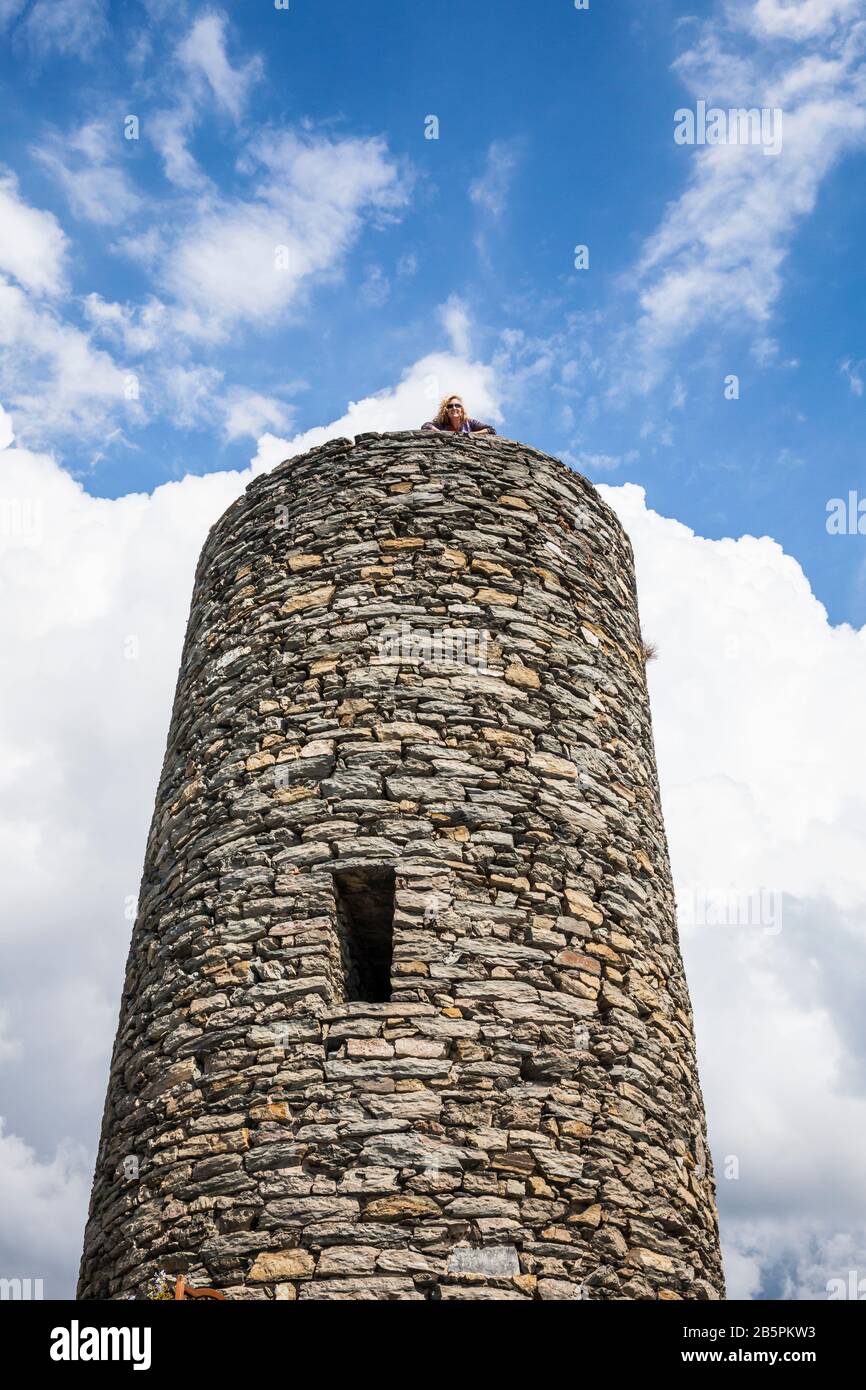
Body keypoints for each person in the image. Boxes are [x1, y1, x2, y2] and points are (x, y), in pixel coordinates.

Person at [421, 394, 496, 435]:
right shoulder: (442, 424)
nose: (454, 408)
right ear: (446, 410)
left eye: (457, 405)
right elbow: (426, 426)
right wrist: (441, 433)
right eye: (450, 406)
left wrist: (473, 434)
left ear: (462, 409)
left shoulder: (470, 423)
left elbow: (491, 430)